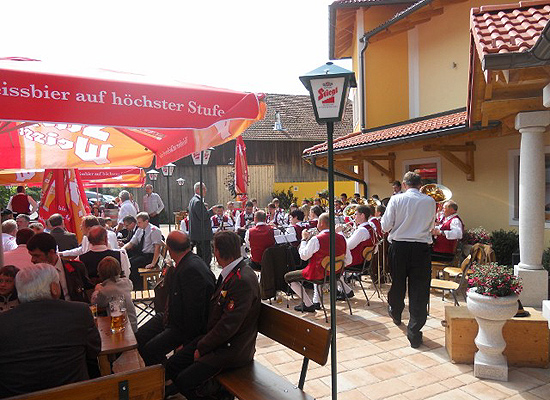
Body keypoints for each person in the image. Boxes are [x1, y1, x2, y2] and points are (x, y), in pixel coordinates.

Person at [165, 231, 261, 399]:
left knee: (184, 380)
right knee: (173, 365)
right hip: (218, 342)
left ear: (217, 252)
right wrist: (197, 343)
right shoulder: (232, 273)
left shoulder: (241, 280)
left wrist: (202, 347)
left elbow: (228, 326)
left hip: (232, 350)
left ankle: (218, 393)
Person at [0, 263, 100, 398]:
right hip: (73, 395)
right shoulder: (79, 312)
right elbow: (94, 350)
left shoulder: (4, 322)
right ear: (54, 288)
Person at [136, 230, 215, 367]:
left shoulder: (191, 270)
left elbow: (194, 313)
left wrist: (187, 343)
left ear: (169, 249)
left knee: (149, 350)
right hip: (172, 317)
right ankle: (160, 366)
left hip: (182, 327)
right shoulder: (188, 261)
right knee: (139, 336)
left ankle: (163, 373)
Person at [381, 171, 435, 348]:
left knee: (397, 283)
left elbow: (385, 226)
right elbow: (431, 225)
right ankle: (414, 332)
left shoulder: (396, 199)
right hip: (421, 248)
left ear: (404, 185)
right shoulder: (430, 201)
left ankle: (396, 312)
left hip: (399, 247)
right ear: (420, 185)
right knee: (419, 289)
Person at [284, 213, 352, 312]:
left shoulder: (316, 239)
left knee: (288, 277)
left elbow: (303, 256)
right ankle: (316, 301)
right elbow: (349, 260)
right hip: (336, 274)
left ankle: (308, 304)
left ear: (321, 223)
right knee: (320, 267)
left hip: (319, 274)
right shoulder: (342, 238)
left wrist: (304, 239)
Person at [27, 232, 93, 302]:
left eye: (36, 256)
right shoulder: (33, 275)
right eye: (32, 255)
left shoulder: (76, 267)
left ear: (51, 252)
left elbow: (89, 291)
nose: (32, 260)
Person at [91, 256, 137, 332]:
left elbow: (95, 303)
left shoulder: (104, 291)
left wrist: (97, 290)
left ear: (100, 273)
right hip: (133, 324)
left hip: (120, 327)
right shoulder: (127, 282)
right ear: (119, 270)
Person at [122, 212, 163, 290]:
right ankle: (136, 283)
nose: (138, 224)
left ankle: (139, 286)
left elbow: (157, 248)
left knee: (131, 264)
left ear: (146, 221)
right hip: (142, 254)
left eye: (139, 222)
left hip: (150, 256)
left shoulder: (154, 230)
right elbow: (132, 243)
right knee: (127, 261)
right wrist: (122, 249)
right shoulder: (140, 230)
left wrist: (153, 263)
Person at [188, 182, 215, 267]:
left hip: (198, 233)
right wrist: (212, 211)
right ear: (197, 190)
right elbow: (203, 216)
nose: (205, 191)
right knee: (206, 257)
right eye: (203, 189)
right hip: (202, 234)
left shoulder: (193, 200)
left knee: (201, 256)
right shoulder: (197, 202)